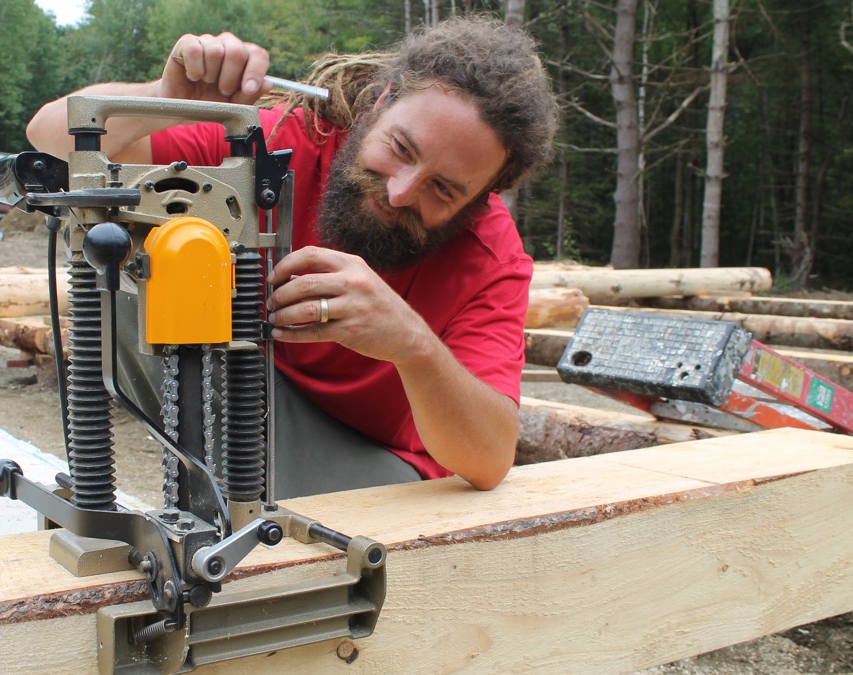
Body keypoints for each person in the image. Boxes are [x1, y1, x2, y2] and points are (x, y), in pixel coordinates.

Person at [27, 18, 559, 498]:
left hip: (377, 470)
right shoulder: (285, 138)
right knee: (124, 281)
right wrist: (165, 96)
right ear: (383, 100)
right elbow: (50, 143)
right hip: (243, 392)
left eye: (443, 189)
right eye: (400, 147)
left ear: (485, 195)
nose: (400, 192)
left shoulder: (491, 259)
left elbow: (488, 460)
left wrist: (411, 342)